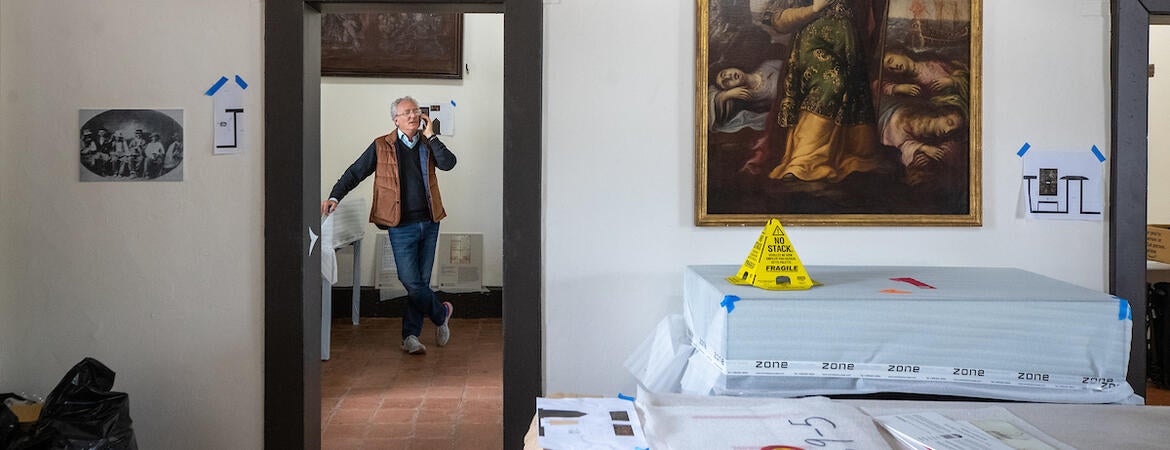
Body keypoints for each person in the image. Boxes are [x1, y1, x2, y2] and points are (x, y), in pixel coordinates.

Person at [322, 96, 456, 355]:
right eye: (407, 112)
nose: (413, 116)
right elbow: (355, 172)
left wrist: (433, 136)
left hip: (429, 222)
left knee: (422, 281)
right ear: (395, 119)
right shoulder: (381, 146)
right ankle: (442, 313)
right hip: (400, 225)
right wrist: (335, 196)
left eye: (415, 111)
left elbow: (449, 164)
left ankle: (410, 337)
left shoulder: (428, 144)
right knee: (410, 280)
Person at [758, 0, 887, 183]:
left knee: (851, 89)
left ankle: (849, 156)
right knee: (832, 82)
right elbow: (777, 18)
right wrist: (814, 8)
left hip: (848, 42)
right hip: (814, 40)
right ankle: (804, 161)